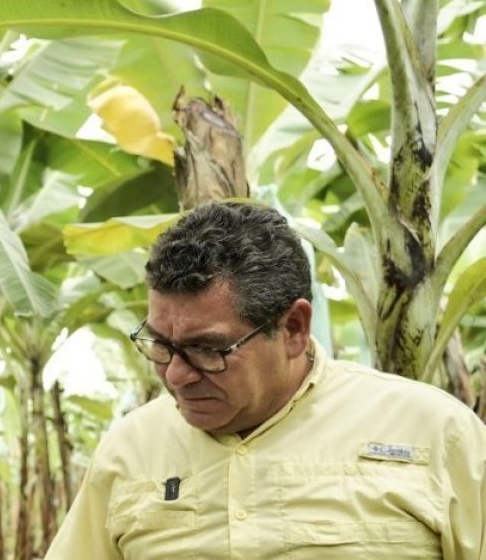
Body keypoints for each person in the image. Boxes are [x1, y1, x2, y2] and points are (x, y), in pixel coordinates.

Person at [45, 201, 486, 559]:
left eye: (207, 350)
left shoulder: (438, 434)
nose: (176, 375)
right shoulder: (131, 449)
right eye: (160, 344)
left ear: (293, 328)